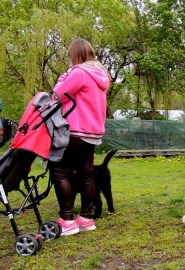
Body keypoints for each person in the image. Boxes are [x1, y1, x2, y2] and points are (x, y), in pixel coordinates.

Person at [50, 38, 110, 236]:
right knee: (86, 173)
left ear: (75, 55)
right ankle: (86, 218)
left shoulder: (79, 73)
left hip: (75, 130)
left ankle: (67, 220)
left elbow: (57, 95)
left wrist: (62, 78)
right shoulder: (101, 74)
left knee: (60, 171)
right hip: (93, 132)